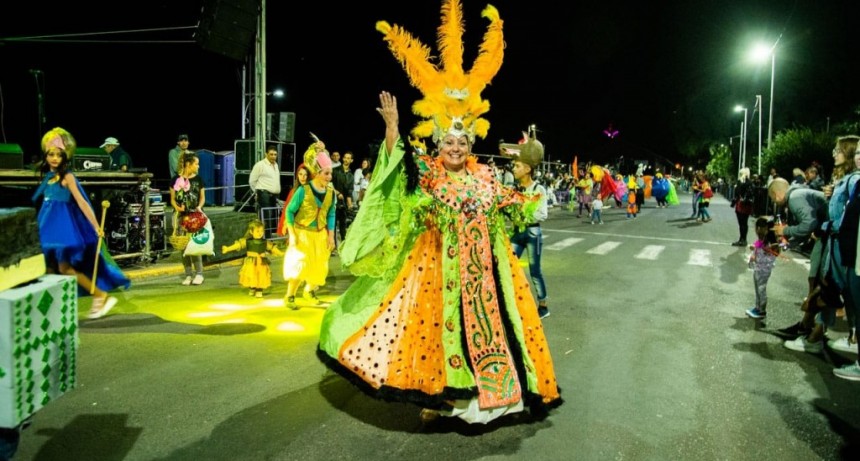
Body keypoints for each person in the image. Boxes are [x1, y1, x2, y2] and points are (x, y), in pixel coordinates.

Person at [32, 127, 130, 319]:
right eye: (51, 154)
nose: (54, 158)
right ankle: (49, 308)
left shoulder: (67, 177)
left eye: (59, 155)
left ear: (65, 156)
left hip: (62, 232)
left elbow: (82, 202)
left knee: (64, 268)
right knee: (49, 268)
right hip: (48, 230)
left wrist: (96, 226)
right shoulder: (48, 178)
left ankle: (100, 295)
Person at [501, 129, 550, 318]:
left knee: (535, 271)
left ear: (528, 169)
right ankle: (511, 301)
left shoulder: (539, 189)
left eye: (517, 166)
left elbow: (542, 214)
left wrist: (523, 215)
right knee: (508, 265)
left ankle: (543, 305)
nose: (513, 169)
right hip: (517, 233)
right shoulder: (514, 189)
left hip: (532, 234)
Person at [281, 142, 336, 309]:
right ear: (317, 173)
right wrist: (292, 234)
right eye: (326, 173)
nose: (329, 177)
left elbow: (331, 214)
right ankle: (290, 296)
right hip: (302, 233)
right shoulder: (303, 190)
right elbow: (289, 211)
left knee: (319, 266)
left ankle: (309, 291)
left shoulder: (330, 193)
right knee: (299, 265)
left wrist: (331, 236)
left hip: (320, 235)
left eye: (330, 173)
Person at [221, 219, 284, 298]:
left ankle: (259, 290)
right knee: (251, 275)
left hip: (262, 262)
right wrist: (228, 249)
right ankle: (252, 287)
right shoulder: (247, 241)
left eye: (261, 231)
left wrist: (280, 253)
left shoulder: (265, 242)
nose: (260, 233)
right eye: (257, 231)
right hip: (251, 262)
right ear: (251, 232)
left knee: (261, 275)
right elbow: (238, 245)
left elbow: (272, 248)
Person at [170, 151, 206, 286]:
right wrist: (177, 208)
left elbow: (202, 198)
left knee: (195, 245)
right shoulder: (175, 180)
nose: (198, 166)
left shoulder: (198, 179)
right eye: (196, 164)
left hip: (194, 217)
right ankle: (188, 275)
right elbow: (172, 199)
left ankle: (199, 274)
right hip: (181, 217)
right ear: (188, 164)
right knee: (184, 247)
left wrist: (199, 207)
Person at [744, 217, 782, 319]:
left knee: (761, 289)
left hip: (764, 269)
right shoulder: (762, 239)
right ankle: (757, 307)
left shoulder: (772, 242)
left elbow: (776, 252)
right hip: (758, 267)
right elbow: (757, 245)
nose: (757, 230)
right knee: (757, 288)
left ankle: (762, 310)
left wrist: (769, 249)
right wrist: (754, 249)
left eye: (759, 227)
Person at [249, 144, 282, 237]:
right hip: (264, 194)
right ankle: (266, 239)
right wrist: (257, 192)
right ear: (266, 154)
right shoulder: (260, 165)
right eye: (271, 154)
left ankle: (269, 238)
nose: (273, 156)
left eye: (275, 154)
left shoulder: (276, 165)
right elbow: (252, 181)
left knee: (272, 217)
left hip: (274, 196)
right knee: (266, 217)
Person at [331, 150, 355, 245]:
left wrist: (350, 205)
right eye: (345, 157)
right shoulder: (335, 170)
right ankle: (332, 246)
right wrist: (337, 193)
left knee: (343, 226)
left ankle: (344, 246)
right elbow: (329, 184)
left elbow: (349, 193)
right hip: (333, 202)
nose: (346, 159)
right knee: (332, 225)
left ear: (351, 160)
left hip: (343, 204)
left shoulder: (351, 176)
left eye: (348, 158)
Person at [731, 167, 755, 246]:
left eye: (741, 173)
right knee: (741, 223)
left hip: (744, 204)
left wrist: (740, 184)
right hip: (741, 204)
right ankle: (742, 239)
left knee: (743, 222)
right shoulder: (742, 182)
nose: (740, 175)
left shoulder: (747, 183)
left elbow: (747, 192)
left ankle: (743, 239)